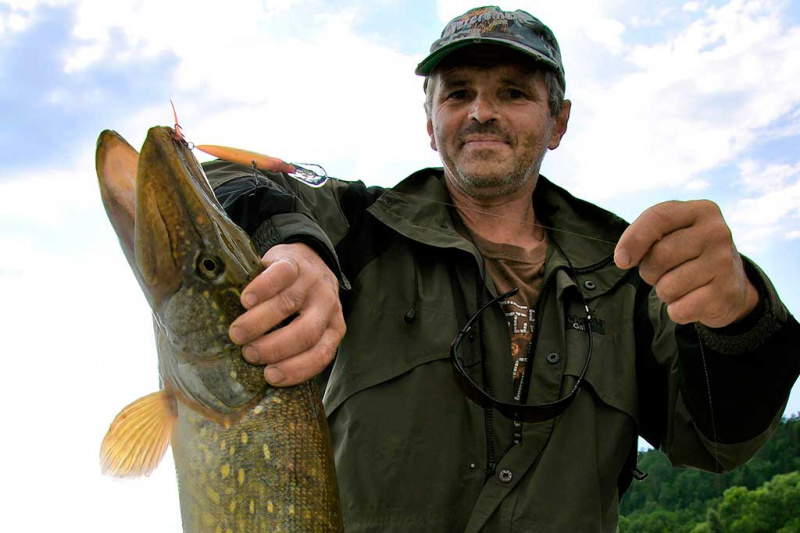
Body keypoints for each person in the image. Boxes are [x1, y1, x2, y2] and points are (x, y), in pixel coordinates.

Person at [205, 6, 800, 531]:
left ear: (558, 122)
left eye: (513, 93)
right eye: (458, 93)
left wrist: (738, 315)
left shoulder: (630, 269)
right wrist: (293, 244)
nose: (481, 112)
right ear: (430, 123)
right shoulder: (357, 224)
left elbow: (719, 441)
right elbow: (212, 178)